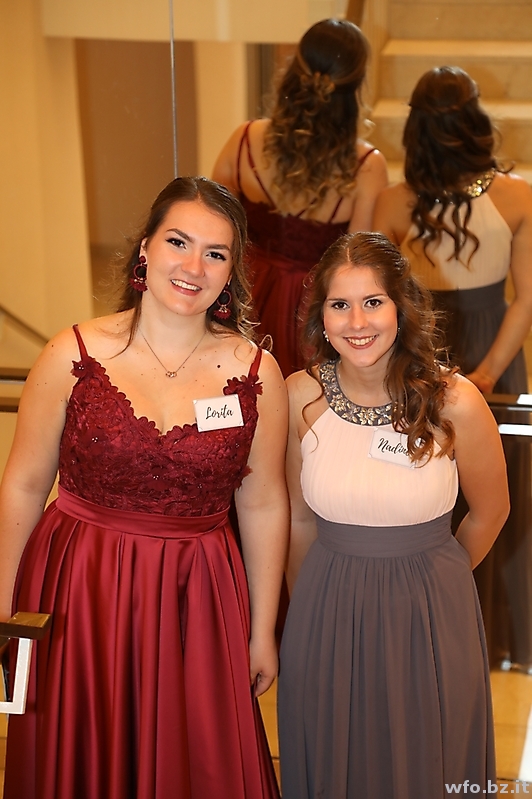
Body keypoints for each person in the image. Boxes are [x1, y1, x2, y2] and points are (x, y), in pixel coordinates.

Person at [0, 176, 288, 799]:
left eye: (215, 253)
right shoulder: (71, 354)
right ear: (145, 249)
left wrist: (262, 629)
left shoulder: (258, 373)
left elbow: (264, 503)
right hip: (80, 586)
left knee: (199, 761)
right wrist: (5, 609)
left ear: (232, 272)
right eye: (178, 242)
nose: (193, 267)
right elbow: (23, 484)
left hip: (197, 595)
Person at [277, 231, 509, 799]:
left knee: (426, 757)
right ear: (321, 316)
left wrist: (438, 579)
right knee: (335, 754)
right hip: (325, 605)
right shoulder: (298, 396)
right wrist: (309, 611)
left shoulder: (455, 402)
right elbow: (299, 520)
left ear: (401, 308)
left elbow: (491, 512)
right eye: (340, 304)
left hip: (430, 612)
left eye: (373, 301)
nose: (357, 322)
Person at [373, 66, 532, 669]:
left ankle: (426, 620)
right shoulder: (517, 196)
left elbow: (374, 297)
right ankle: (495, 635)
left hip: (416, 351)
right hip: (489, 349)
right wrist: (487, 374)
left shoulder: (393, 202)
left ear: (414, 129)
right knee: (497, 493)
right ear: (476, 122)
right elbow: (527, 300)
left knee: (426, 487)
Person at [212, 18, 388, 378]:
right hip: (312, 310)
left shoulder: (243, 140)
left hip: (243, 295)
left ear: (295, 69)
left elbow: (212, 228)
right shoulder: (367, 167)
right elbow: (357, 263)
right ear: (356, 86)